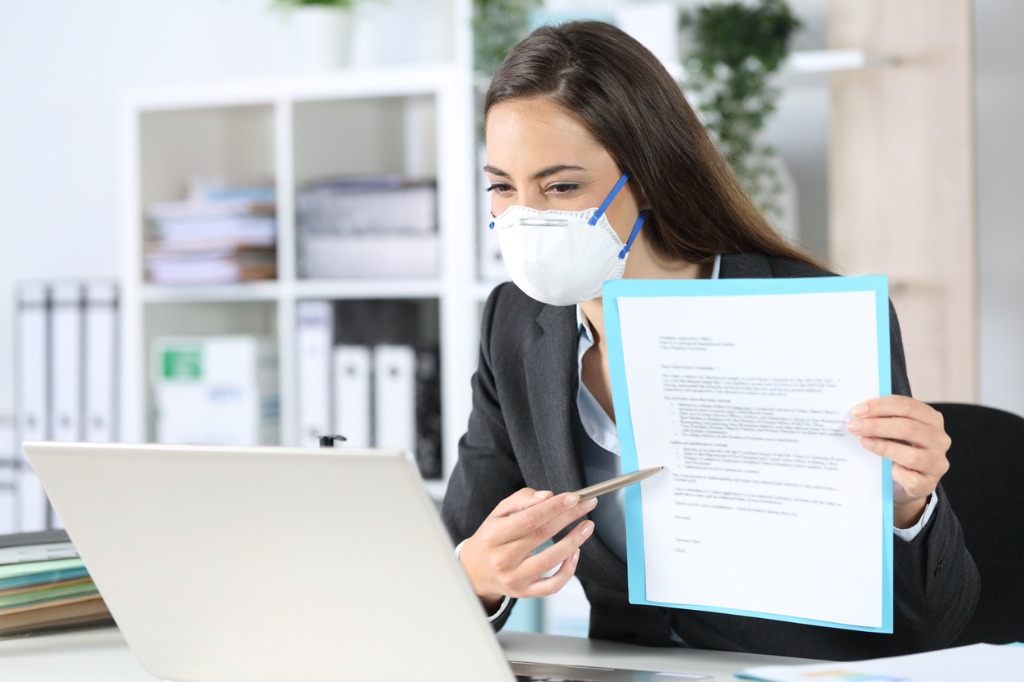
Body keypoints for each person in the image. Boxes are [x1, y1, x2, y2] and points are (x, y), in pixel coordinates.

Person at [441, 20, 979, 661]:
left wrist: (908, 508)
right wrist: (476, 579)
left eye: (561, 186)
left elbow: (934, 629)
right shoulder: (513, 323)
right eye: (503, 186)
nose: (525, 216)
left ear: (648, 175)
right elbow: (454, 558)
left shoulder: (814, 317)